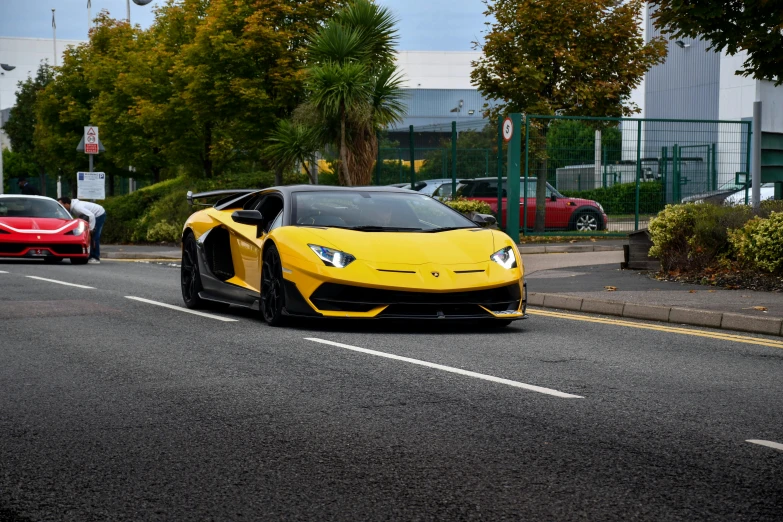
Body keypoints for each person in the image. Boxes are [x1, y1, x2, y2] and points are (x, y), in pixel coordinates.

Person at [57, 197, 106, 264]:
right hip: (93, 216)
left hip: (99, 214)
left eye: (61, 206)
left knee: (94, 236)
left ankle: (95, 257)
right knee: (88, 237)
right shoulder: (73, 208)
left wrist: (91, 229)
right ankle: (90, 256)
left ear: (67, 204)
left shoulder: (77, 207)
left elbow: (91, 216)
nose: (61, 208)